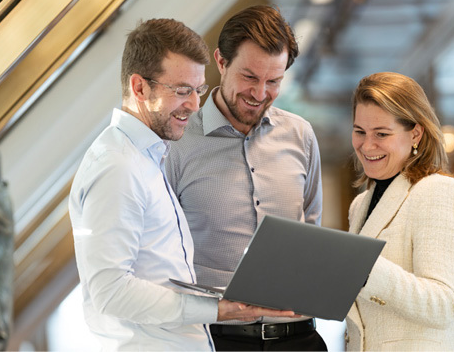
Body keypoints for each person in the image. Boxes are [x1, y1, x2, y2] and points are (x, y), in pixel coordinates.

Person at [68, 18, 295, 351]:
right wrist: (215, 309)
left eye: (199, 90)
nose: (194, 104)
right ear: (140, 87)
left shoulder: (145, 157)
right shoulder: (117, 168)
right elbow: (110, 290)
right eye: (182, 91)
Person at [166, 5, 325, 350]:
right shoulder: (176, 143)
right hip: (216, 340)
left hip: (299, 339)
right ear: (221, 62)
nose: (259, 93)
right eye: (250, 77)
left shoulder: (301, 135)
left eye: (274, 81)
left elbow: (311, 230)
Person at [344, 72, 454, 351]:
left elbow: (443, 305)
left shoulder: (437, 191)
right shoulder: (360, 205)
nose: (367, 145)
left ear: (415, 133)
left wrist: (365, 268)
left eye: (381, 134)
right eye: (359, 132)